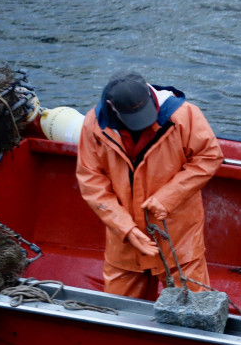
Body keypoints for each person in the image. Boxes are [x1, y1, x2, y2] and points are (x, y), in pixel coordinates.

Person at [76, 71, 223, 299]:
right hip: (124, 245)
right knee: (119, 316)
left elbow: (209, 156)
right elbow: (91, 181)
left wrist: (167, 198)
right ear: (111, 106)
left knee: (193, 310)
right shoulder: (93, 125)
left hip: (178, 239)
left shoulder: (184, 115)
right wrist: (126, 229)